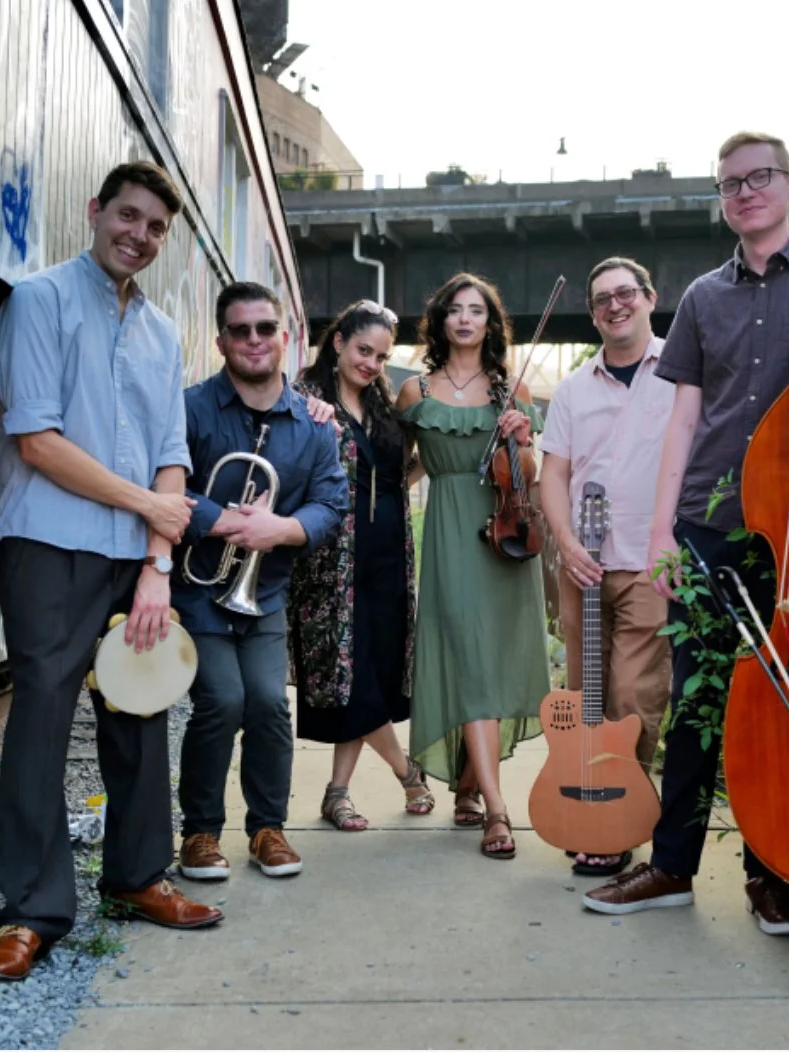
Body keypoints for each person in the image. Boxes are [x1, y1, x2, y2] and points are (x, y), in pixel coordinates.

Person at [582, 131, 789, 932]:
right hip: (709, 526)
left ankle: (771, 875)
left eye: (760, 178)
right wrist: (663, 535)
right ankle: (672, 867)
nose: (746, 192)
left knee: (784, 707)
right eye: (730, 183)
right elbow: (683, 421)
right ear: (721, 199)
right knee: (697, 702)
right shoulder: (701, 297)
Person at [0, 161, 222, 982]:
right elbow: (37, 441)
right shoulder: (36, 301)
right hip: (51, 545)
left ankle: (137, 878)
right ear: (95, 211)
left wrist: (157, 564)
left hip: (134, 557)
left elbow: (170, 456)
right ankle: (31, 910)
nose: (139, 236)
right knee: (42, 715)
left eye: (156, 227)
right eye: (128, 216)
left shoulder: (161, 334)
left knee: (140, 712)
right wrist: (149, 508)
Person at [174, 281, 347, 883]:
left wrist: (282, 528)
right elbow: (162, 482)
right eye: (240, 330)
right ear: (221, 341)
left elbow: (331, 503)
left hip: (263, 592)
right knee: (223, 701)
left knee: (271, 703)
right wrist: (219, 519)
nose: (254, 339)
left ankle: (267, 829)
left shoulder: (313, 424)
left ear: (285, 337)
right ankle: (199, 833)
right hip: (199, 590)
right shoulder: (190, 408)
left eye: (265, 328)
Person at [396, 273, 550, 860]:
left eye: (476, 310)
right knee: (468, 662)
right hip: (449, 534)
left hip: (505, 536)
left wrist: (522, 439)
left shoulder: (513, 388)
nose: (465, 319)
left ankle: (469, 785)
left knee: (490, 666)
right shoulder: (414, 391)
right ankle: (497, 809)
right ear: (440, 321)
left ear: (490, 323)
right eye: (455, 310)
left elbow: (528, 475)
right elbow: (403, 467)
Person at [538, 257, 674, 878]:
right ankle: (582, 804)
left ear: (649, 298)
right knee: (583, 695)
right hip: (583, 564)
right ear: (592, 314)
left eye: (625, 294)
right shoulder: (573, 390)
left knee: (632, 696)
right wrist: (566, 543)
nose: (614, 306)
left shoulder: (681, 373)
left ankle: (616, 814)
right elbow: (554, 475)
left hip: (650, 560)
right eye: (601, 300)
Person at [288, 299, 434, 830]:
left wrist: (409, 475)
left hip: (389, 554)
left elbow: (404, 467)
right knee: (351, 678)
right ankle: (406, 772)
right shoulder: (304, 399)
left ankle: (337, 792)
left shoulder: (383, 404)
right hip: (333, 562)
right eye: (363, 351)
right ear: (338, 343)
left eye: (380, 356)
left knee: (373, 672)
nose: (371, 364)